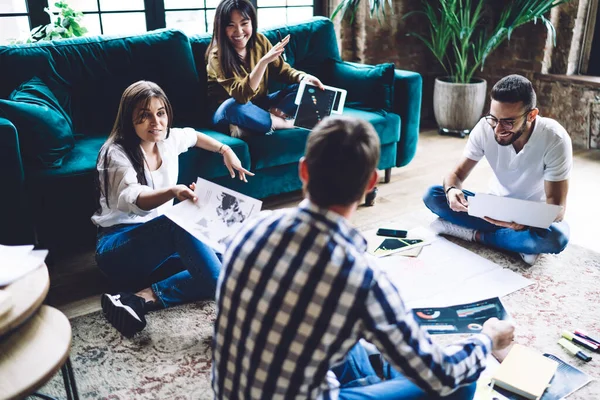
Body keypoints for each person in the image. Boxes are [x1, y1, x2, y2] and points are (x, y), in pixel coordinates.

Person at [212, 115, 515, 399]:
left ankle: (371, 378)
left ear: (303, 169)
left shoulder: (249, 229)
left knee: (351, 335)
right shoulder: (360, 278)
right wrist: (487, 338)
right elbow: (443, 374)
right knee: (461, 380)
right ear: (371, 182)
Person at [92, 80, 253, 338]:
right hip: (118, 250)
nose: (155, 122)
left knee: (228, 260)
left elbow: (195, 136)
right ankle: (234, 315)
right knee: (178, 222)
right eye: (144, 116)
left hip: (158, 254)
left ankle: (139, 299)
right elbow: (134, 197)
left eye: (160, 113)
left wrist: (225, 149)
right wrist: (172, 191)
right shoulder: (115, 153)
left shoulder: (168, 140)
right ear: (128, 120)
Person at [423, 74, 572, 265]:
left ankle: (475, 235)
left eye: (508, 122)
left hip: (530, 219)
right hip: (492, 208)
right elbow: (457, 174)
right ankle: (518, 244)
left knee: (557, 237)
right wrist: (452, 191)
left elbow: (557, 210)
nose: (497, 129)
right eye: (494, 118)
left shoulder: (555, 139)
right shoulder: (485, 127)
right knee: (433, 195)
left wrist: (526, 222)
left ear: (531, 115)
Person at [206, 0, 324, 137]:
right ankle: (280, 123)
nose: (239, 31)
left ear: (252, 23)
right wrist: (263, 63)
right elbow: (241, 96)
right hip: (228, 113)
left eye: (244, 24)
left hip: (260, 105)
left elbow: (283, 71)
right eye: (231, 25)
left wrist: (303, 77)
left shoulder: (259, 41)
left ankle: (253, 124)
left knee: (302, 88)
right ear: (221, 27)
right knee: (231, 107)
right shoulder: (217, 55)